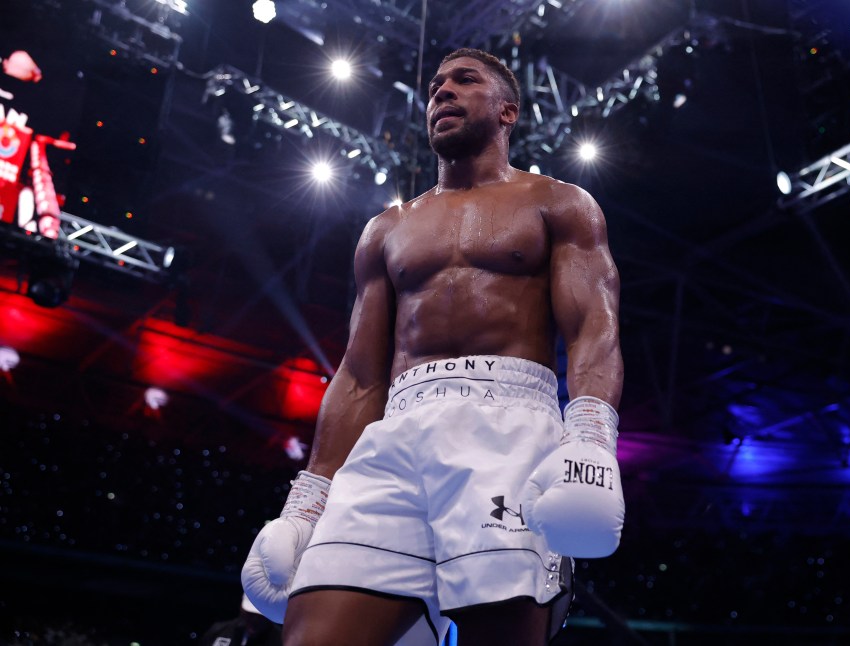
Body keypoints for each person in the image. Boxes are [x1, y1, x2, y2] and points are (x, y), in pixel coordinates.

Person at [242, 48, 624, 646]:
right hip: (395, 434)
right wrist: (307, 501)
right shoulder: (387, 229)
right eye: (435, 86)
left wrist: (591, 438)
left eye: (463, 81)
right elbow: (360, 375)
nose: (441, 92)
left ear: (507, 111)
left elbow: (592, 329)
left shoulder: (559, 203)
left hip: (508, 429)